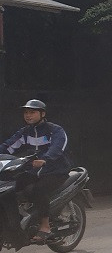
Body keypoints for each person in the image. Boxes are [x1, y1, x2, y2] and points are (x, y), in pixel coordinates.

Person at [1, 99, 72, 241]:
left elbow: (57, 147)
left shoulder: (55, 130)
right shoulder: (25, 132)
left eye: (32, 112)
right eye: (26, 113)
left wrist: (46, 159)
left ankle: (45, 226)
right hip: (33, 171)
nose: (28, 115)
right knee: (10, 187)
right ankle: (18, 220)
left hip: (55, 171)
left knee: (38, 190)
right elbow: (8, 146)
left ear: (42, 114)